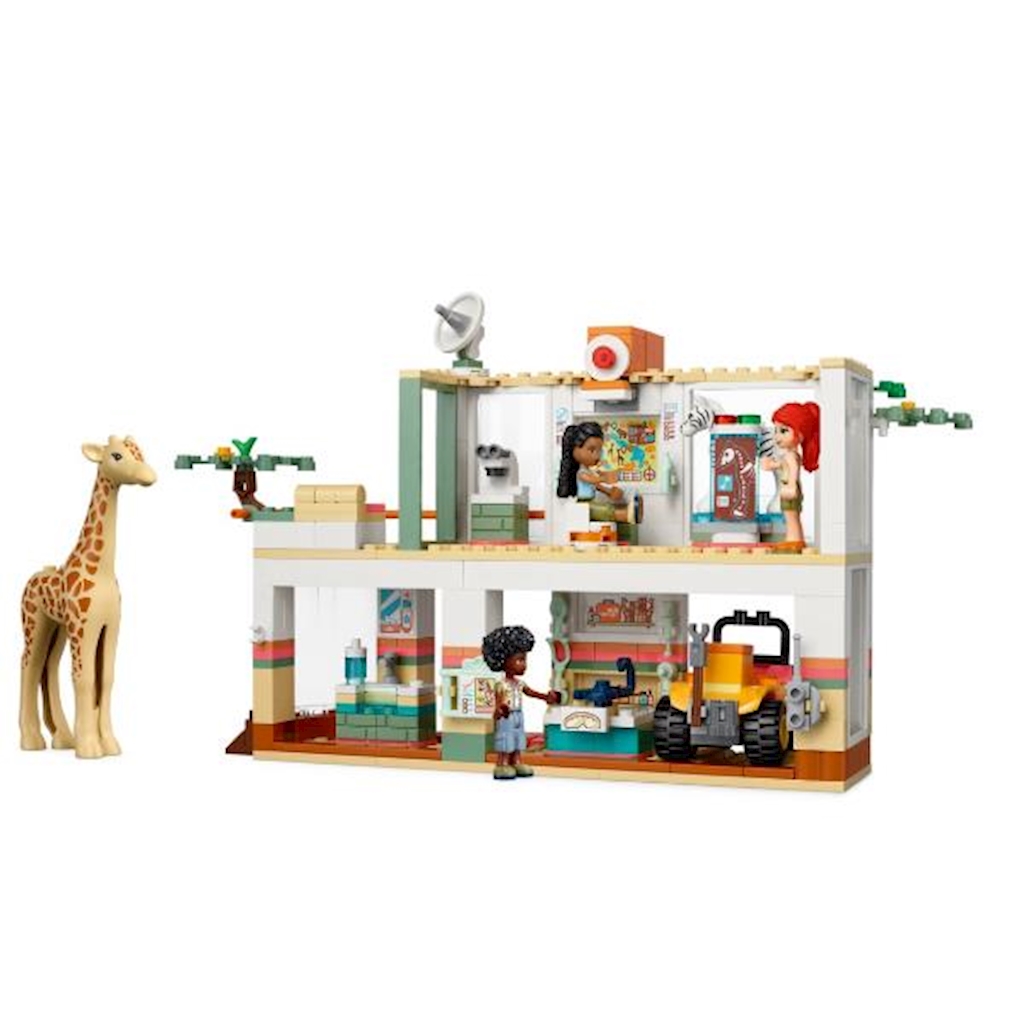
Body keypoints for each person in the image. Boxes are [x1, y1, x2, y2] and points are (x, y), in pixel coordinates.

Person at [482, 626, 561, 781]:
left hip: (519, 715)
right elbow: (498, 703)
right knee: (506, 739)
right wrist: (500, 710)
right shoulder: (502, 685)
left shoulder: (519, 684)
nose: (524, 665)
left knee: (518, 739)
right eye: (520, 660)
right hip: (507, 717)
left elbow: (530, 692)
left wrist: (545, 697)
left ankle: (517, 761)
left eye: (524, 660)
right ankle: (503, 763)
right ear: (504, 661)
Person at [556, 422, 642, 525]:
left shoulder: (587, 470)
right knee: (600, 510)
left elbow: (596, 485)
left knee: (603, 507)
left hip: (589, 501)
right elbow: (589, 479)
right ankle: (625, 515)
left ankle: (627, 514)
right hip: (582, 503)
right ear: (575, 449)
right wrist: (604, 478)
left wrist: (608, 491)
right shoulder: (580, 472)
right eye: (591, 450)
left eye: (599, 451)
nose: (597, 456)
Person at [762, 402, 820, 551]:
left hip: (789, 489)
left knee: (791, 516)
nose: (777, 437)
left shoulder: (791, 456)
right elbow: (780, 465)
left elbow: (793, 471)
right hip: (788, 488)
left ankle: (794, 540)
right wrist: (770, 465)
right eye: (776, 430)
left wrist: (792, 487)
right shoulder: (789, 455)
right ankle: (794, 538)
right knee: (791, 516)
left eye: (783, 431)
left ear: (800, 434)